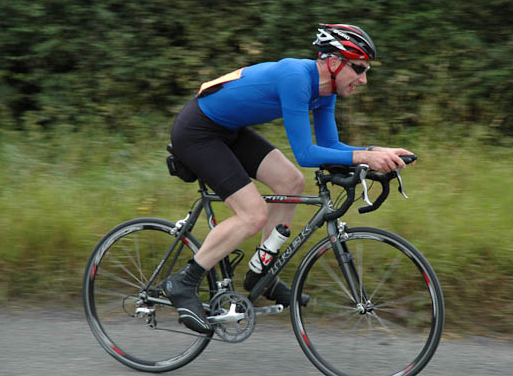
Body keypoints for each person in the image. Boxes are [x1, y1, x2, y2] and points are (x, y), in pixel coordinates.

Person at [164, 24, 415, 334]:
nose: (364, 79)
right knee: (252, 213)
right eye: (359, 68)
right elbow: (307, 154)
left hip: (229, 130)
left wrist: (376, 151)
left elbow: (330, 147)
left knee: (291, 183)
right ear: (334, 63)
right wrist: (365, 156)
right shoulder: (296, 78)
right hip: (198, 132)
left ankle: (261, 271)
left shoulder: (325, 92)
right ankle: (183, 282)